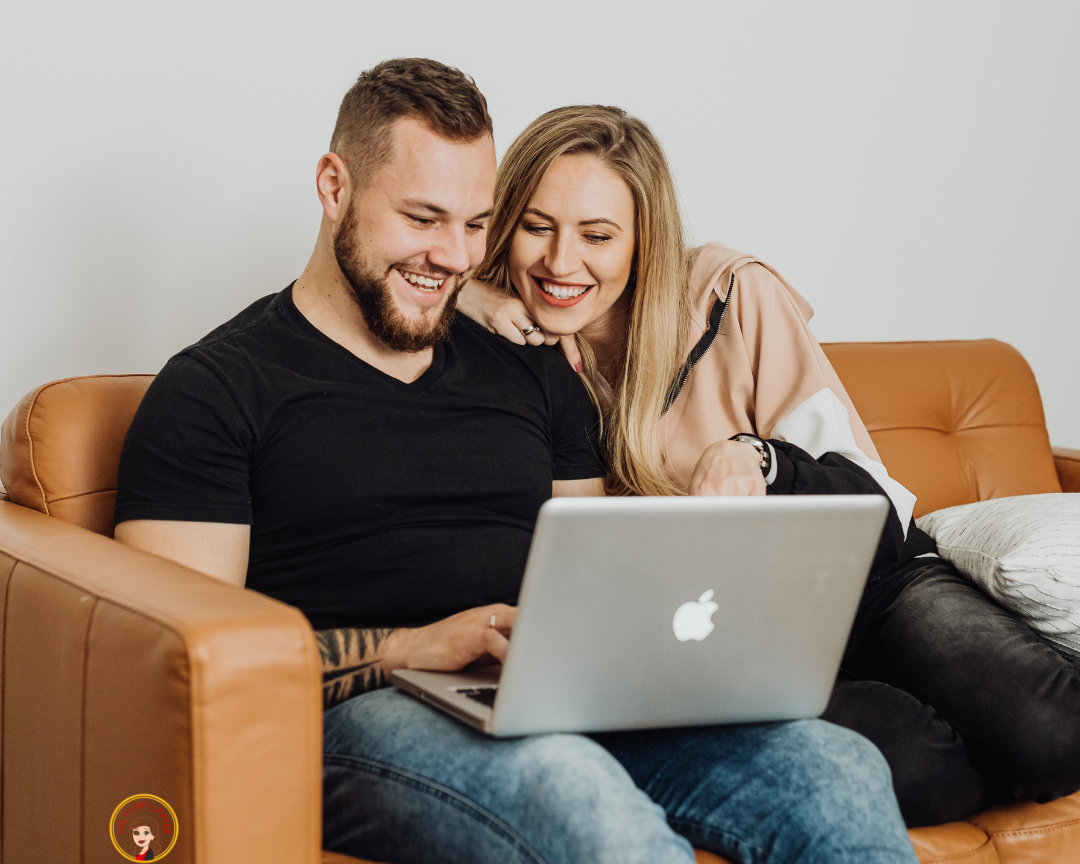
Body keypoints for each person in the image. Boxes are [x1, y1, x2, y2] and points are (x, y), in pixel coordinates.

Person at [112, 59, 918, 864]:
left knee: (835, 769)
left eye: (475, 225)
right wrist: (403, 647)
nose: (453, 255)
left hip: (549, 690)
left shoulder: (528, 362)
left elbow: (597, 567)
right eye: (423, 218)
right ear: (333, 188)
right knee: (573, 793)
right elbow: (183, 663)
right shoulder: (216, 391)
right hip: (363, 711)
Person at [459, 103, 1080, 827]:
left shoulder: (732, 295)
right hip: (729, 640)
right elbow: (382, 286)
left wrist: (761, 458)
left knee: (1054, 734)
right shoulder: (505, 353)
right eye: (537, 227)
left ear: (642, 240)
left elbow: (874, 498)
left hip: (870, 585)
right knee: (910, 768)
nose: (562, 263)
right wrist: (466, 293)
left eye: (597, 235)